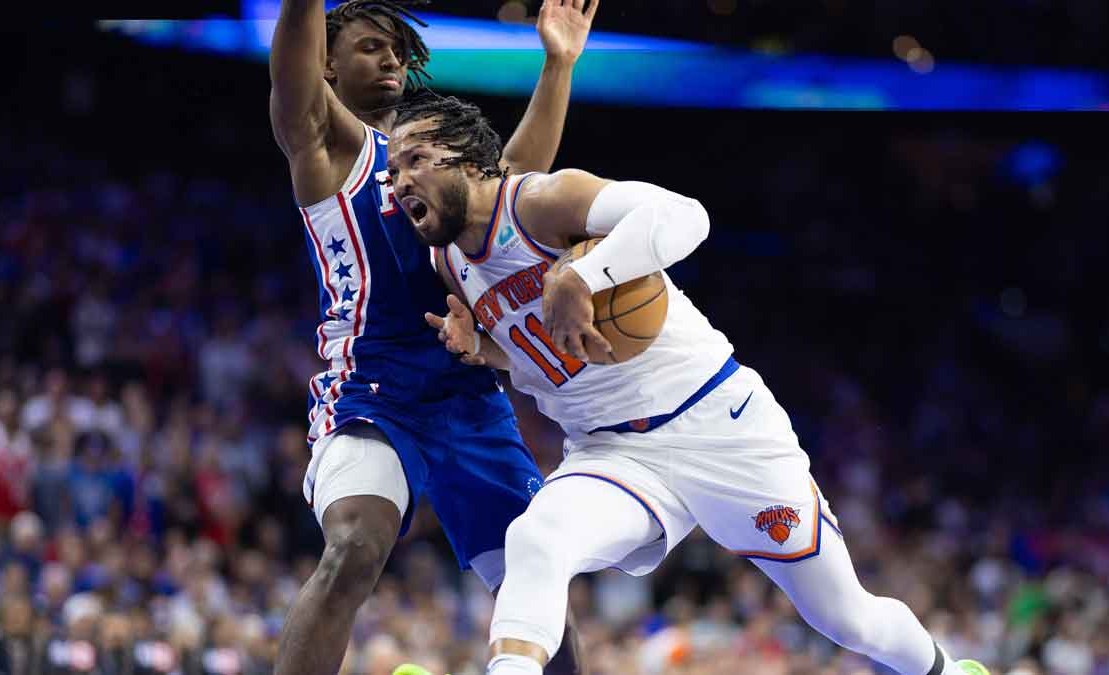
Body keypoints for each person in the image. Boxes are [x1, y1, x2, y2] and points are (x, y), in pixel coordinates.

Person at [385, 93, 992, 675]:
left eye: (415, 159)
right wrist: (480, 350)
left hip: (717, 423)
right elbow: (540, 360)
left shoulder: (541, 201)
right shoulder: (450, 267)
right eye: (393, 172)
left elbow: (684, 216)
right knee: (538, 538)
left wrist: (586, 275)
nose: (401, 181)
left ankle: (945, 670)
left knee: (845, 617)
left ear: (466, 158)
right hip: (616, 452)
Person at [266, 2, 598, 674]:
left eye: (396, 49)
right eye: (368, 47)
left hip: (469, 394)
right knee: (356, 545)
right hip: (374, 392)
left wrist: (558, 65)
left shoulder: (429, 160)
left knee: (537, 597)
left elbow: (512, 185)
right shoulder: (327, 148)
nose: (389, 58)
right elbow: (293, 83)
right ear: (326, 64)